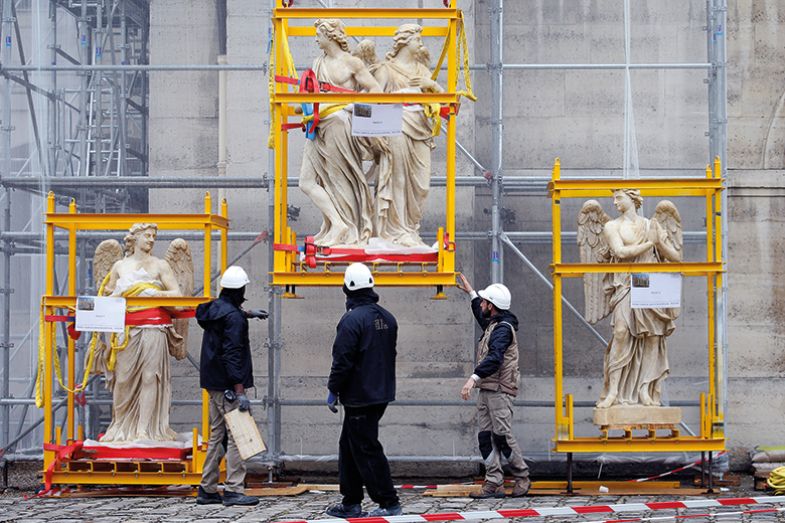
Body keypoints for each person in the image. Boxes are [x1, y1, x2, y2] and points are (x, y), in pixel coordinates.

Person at [324, 263, 402, 518]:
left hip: (360, 396)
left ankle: (388, 502)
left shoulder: (351, 320)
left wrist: (333, 389)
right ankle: (351, 502)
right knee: (349, 446)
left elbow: (342, 360)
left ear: (347, 289)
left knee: (366, 447)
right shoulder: (388, 317)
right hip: (380, 393)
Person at [594, 189, 682, 408]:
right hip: (626, 284)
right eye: (613, 198)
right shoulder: (611, 226)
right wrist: (650, 244)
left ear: (633, 199)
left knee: (653, 336)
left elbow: (676, 257)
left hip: (651, 284)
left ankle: (645, 387)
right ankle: (613, 390)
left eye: (619, 197)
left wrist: (659, 243)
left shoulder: (652, 225)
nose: (614, 202)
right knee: (621, 331)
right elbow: (620, 252)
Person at [299, 19, 382, 247]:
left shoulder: (352, 63)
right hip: (316, 126)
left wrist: (353, 105)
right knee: (306, 181)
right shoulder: (318, 63)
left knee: (338, 180)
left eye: (319, 34)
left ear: (331, 36)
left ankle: (344, 229)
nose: (315, 39)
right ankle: (335, 223)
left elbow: (376, 90)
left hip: (339, 124)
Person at [100, 223, 184, 442]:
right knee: (123, 378)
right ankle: (119, 424)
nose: (151, 239)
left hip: (154, 326)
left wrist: (154, 294)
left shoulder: (160, 265)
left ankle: (144, 430)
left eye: (154, 236)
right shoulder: (119, 265)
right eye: (147, 235)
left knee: (150, 377)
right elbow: (107, 294)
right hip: (127, 328)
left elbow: (178, 294)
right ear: (134, 238)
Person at [195, 265, 268, 506]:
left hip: (213, 384)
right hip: (228, 386)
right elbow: (232, 353)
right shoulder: (234, 317)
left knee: (217, 434)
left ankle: (207, 488)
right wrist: (240, 390)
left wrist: (246, 314)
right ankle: (234, 489)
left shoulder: (214, 309)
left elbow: (225, 317)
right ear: (241, 289)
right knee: (239, 435)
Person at [457, 274, 530, 499]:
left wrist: (473, 378)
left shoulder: (503, 330)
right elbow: (480, 314)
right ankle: (493, 482)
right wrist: (470, 292)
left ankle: (522, 476)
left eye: (484, 301)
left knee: (502, 436)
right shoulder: (494, 324)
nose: (481, 304)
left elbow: (495, 358)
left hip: (499, 390)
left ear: (493, 306)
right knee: (485, 437)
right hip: (488, 389)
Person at [369, 23, 443, 247]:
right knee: (397, 179)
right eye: (417, 40)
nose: (421, 44)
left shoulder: (422, 71)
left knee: (422, 184)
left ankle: (411, 228)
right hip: (395, 124)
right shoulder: (386, 69)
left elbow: (443, 98)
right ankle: (399, 231)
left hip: (420, 128)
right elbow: (372, 100)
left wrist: (432, 85)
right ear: (405, 41)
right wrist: (375, 135)